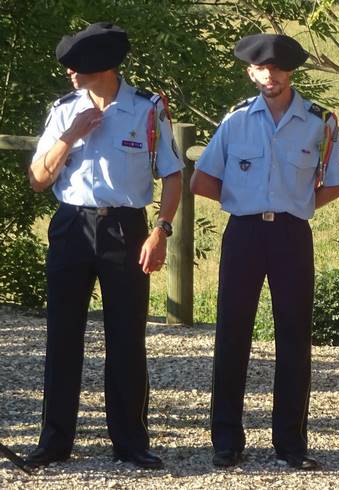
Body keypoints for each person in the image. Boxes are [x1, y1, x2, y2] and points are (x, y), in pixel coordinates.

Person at [190, 33, 339, 471]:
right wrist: (243, 200)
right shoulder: (236, 121)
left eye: (278, 69)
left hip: (291, 235)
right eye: (262, 69)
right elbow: (201, 180)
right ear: (250, 72)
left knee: (294, 337)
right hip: (244, 233)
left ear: (290, 72)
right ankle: (226, 441)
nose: (270, 76)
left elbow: (337, 183)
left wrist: (298, 205)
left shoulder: (319, 122)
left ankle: (290, 443)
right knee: (232, 334)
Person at [26, 22, 183, 470]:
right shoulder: (64, 111)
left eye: (78, 65)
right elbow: (37, 180)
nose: (70, 72)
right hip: (72, 226)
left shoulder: (146, 110)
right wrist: (71, 135)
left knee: (127, 337)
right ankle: (54, 441)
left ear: (105, 66)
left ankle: (130, 441)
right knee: (63, 336)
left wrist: (161, 231)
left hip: (125, 229)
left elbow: (173, 175)